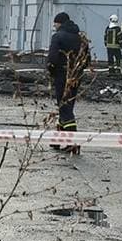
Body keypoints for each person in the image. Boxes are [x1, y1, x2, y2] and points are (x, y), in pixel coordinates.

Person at [48, 11, 90, 153]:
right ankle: (58, 140)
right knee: (66, 106)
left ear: (59, 23)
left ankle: (73, 142)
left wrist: (52, 72)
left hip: (61, 74)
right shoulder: (81, 38)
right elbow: (86, 59)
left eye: (55, 23)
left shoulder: (57, 37)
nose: (54, 26)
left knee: (64, 108)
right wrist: (78, 71)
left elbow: (52, 59)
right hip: (76, 75)